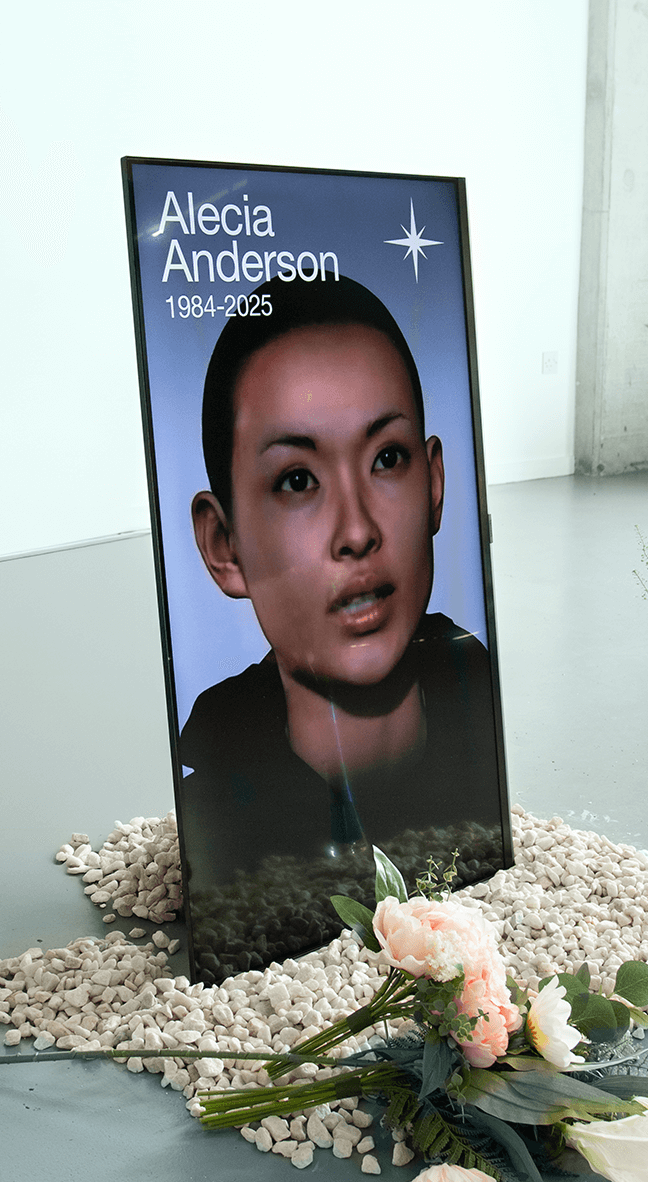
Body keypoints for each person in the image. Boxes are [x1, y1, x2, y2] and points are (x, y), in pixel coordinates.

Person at [176, 276, 506, 979]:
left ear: (435, 484)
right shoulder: (221, 806)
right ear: (223, 546)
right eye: (298, 480)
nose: (357, 531)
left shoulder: (478, 701)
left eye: (388, 459)